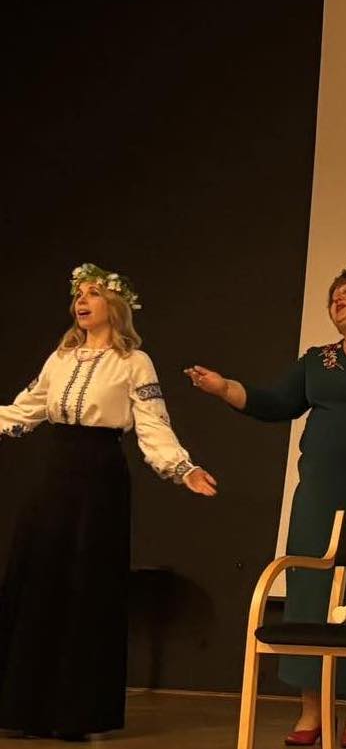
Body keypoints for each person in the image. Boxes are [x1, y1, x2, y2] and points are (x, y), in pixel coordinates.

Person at [186, 260, 346, 748]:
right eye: (332, 296)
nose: (336, 300)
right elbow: (274, 403)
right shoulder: (317, 359)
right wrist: (223, 388)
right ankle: (312, 709)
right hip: (322, 493)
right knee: (311, 590)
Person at [0, 263, 216, 740]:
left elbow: (153, 424)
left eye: (93, 293)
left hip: (98, 478)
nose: (82, 301)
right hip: (55, 474)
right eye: (78, 294)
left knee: (85, 585)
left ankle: (74, 713)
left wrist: (182, 468)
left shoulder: (134, 362)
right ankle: (23, 707)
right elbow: (25, 409)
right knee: (41, 578)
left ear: (115, 304)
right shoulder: (61, 357)